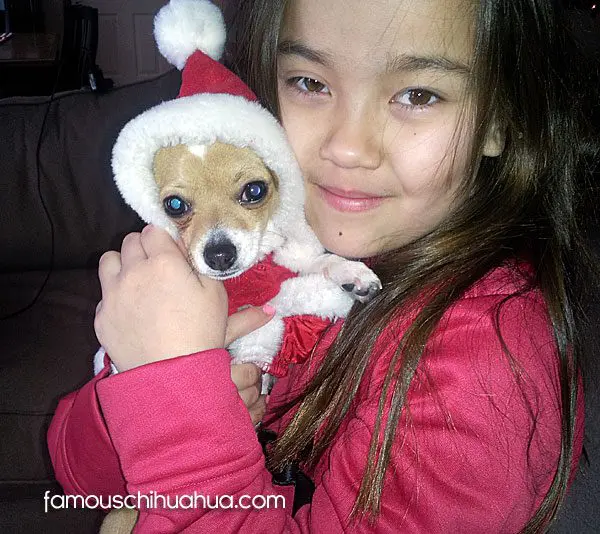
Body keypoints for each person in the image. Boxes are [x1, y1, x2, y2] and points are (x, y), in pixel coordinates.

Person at [47, 0, 597, 531]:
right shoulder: (279, 247)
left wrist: (173, 397)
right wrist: (149, 383)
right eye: (310, 83)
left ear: (501, 119)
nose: (348, 148)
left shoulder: (483, 371)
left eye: (418, 94)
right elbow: (81, 478)